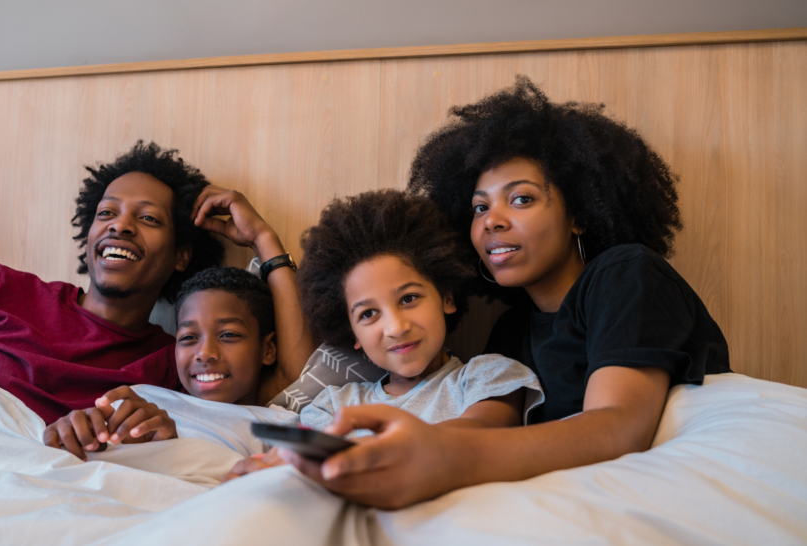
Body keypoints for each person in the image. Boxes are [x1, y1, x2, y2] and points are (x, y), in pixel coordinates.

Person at [277, 77, 732, 509]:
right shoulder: (512, 332)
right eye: (479, 207)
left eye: (521, 199)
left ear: (581, 214)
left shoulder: (626, 273)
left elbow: (618, 429)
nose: (491, 220)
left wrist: (441, 455)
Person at [0, 141, 312, 427]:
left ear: (182, 253)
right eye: (106, 213)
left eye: (147, 218)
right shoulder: (4, 289)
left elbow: (294, 380)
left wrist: (265, 242)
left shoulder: (177, 360)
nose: (119, 226)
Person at [223, 190, 542, 481]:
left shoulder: (489, 376)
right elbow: (306, 464)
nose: (396, 327)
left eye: (408, 298)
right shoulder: (334, 405)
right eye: (368, 314)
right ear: (353, 333)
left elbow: (480, 435)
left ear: (447, 298)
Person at [43, 266, 312, 460]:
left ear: (268, 349)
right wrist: (71, 430)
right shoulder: (140, 398)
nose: (204, 353)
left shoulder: (280, 427)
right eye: (188, 337)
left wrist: (170, 450)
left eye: (228, 335)